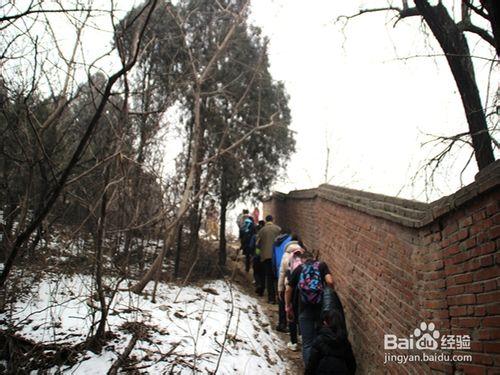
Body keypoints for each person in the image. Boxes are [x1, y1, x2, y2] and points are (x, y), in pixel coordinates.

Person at [285, 251, 334, 365]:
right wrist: (328, 296)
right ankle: (320, 368)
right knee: (319, 340)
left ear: (302, 260)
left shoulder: (299, 269)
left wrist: (288, 306)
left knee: (307, 343)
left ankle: (309, 369)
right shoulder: (322, 266)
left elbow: (288, 289)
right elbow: (330, 281)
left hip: (303, 309)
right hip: (320, 309)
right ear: (314, 258)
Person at [304, 309, 356, 375]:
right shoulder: (344, 341)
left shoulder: (320, 340)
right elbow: (351, 364)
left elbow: (312, 363)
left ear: (326, 323)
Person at [277, 238, 304, 350]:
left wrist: (280, 289)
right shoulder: (303, 255)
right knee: (301, 311)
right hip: (302, 289)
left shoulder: (286, 256)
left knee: (291, 312)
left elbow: (282, 273)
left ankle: (293, 342)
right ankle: (302, 335)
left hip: (290, 288)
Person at [256, 215, 281, 303]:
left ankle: (271, 299)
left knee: (269, 277)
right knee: (277, 277)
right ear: (273, 220)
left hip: (266, 257)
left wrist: (260, 251)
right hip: (277, 257)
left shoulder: (261, 230)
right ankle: (279, 297)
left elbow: (257, 244)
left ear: (266, 221)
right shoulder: (278, 229)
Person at [272, 229, 293, 332]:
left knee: (282, 299)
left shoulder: (276, 242)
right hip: (294, 280)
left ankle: (282, 324)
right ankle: (294, 328)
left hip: (281, 273)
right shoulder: (300, 250)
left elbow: (274, 258)